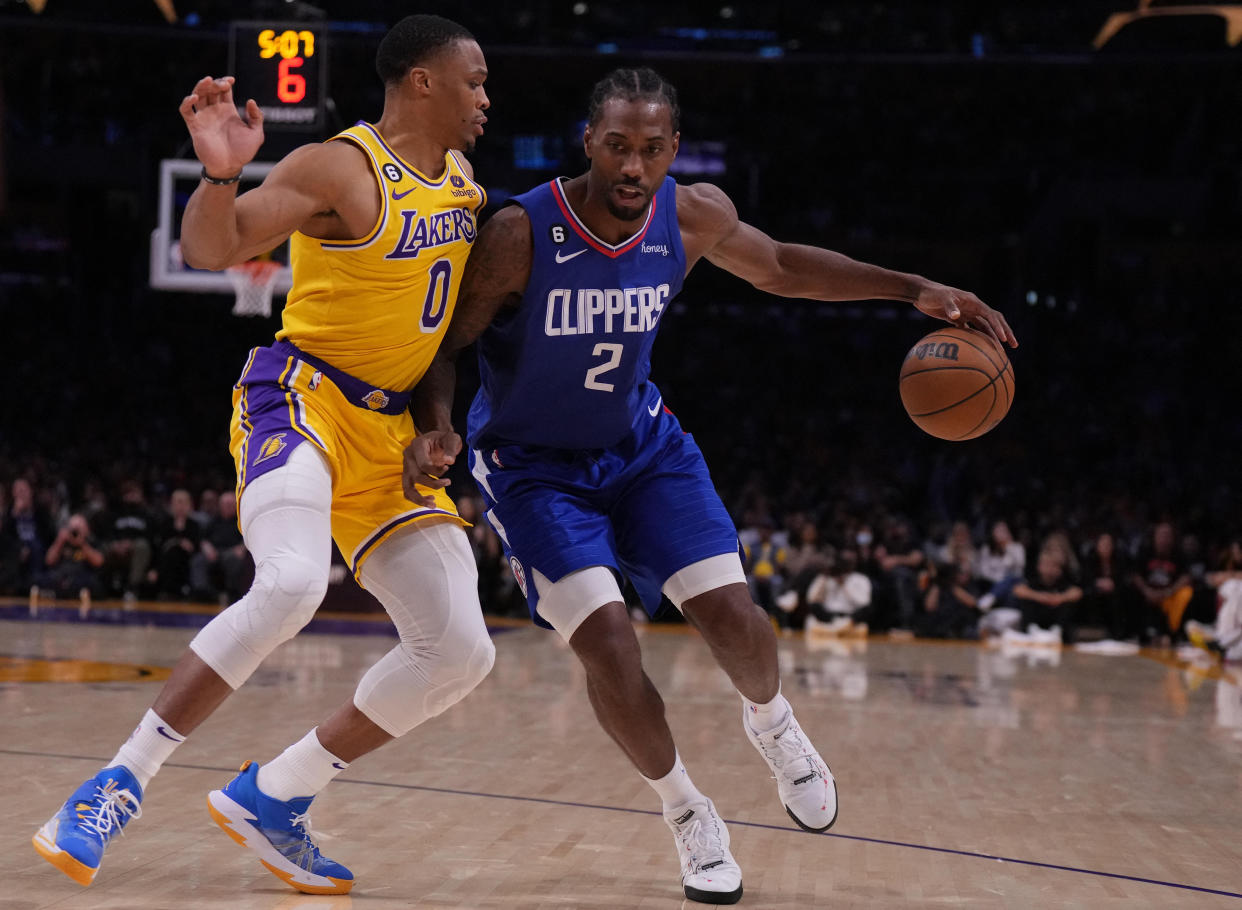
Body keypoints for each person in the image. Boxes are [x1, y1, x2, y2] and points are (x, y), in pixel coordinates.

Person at [402, 67, 1017, 904]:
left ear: (672, 152)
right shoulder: (521, 232)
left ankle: (772, 724)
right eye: (617, 146)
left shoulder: (691, 215)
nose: (632, 166)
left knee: (735, 620)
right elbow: (446, 343)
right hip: (534, 471)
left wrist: (914, 289)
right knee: (610, 645)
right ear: (589, 142)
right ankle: (688, 813)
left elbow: (782, 268)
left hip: (644, 449)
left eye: (651, 149)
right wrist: (434, 425)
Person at [33, 15, 495, 896]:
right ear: (423, 83)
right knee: (289, 583)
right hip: (302, 398)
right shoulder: (341, 168)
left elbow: (436, 338)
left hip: (388, 437)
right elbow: (209, 248)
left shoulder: (464, 185)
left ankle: (276, 798)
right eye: (472, 80)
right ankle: (114, 784)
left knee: (463, 651)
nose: (486, 97)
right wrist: (219, 172)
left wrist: (435, 422)